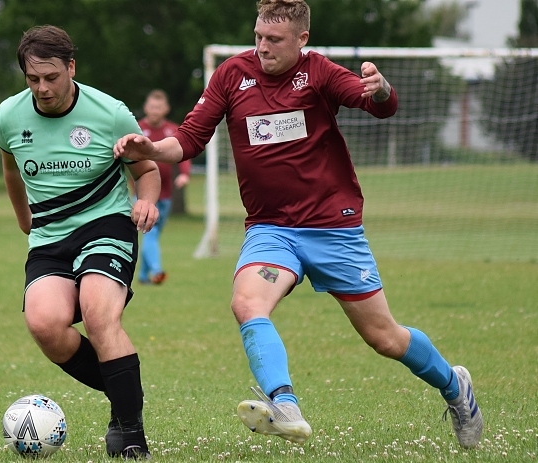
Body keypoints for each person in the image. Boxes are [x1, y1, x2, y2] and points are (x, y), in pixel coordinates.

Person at [114, 0, 483, 450]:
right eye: (258, 37)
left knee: (385, 337)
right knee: (248, 304)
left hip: (334, 228)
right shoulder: (232, 74)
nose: (262, 47)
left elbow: (379, 106)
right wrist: (148, 149)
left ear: (302, 40)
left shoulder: (320, 73)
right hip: (271, 229)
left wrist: (382, 88)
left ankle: (454, 386)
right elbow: (188, 140)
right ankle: (284, 404)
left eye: (274, 40)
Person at [0, 25, 160, 460]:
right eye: (33, 80)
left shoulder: (110, 112)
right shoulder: (9, 117)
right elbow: (11, 170)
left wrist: (147, 201)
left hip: (106, 224)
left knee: (99, 316)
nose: (43, 89)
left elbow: (147, 169)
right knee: (45, 325)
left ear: (71, 67)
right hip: (50, 236)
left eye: (51, 77)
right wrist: (23, 218)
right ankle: (124, 395)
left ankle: (131, 434)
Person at [136, 89, 191, 285]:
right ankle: (157, 271)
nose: (155, 110)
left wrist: (184, 174)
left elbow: (183, 153)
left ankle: (143, 276)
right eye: (152, 106)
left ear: (166, 109)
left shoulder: (173, 130)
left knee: (153, 234)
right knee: (149, 232)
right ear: (145, 108)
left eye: (159, 107)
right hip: (143, 194)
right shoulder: (137, 129)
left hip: (166, 194)